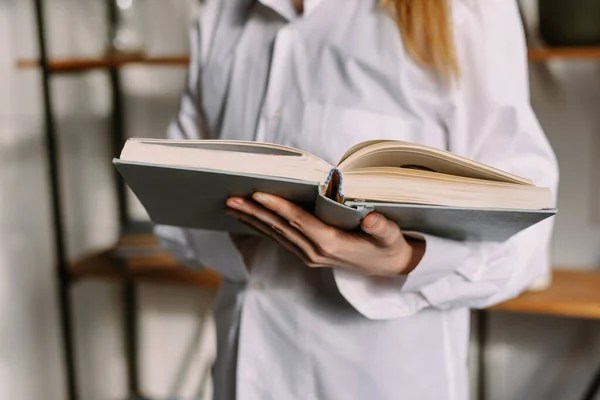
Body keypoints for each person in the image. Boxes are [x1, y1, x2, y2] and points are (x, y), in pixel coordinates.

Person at [155, 0, 558, 399]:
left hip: (384, 380)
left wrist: (406, 260)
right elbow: (167, 199)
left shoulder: (467, 9)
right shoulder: (221, 14)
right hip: (240, 373)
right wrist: (235, 241)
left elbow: (526, 234)